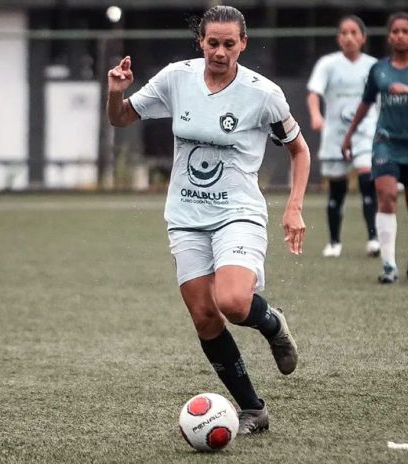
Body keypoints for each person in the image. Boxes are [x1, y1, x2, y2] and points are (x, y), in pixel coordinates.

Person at [106, 5, 310, 435]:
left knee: (234, 302)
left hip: (238, 212)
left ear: (243, 44)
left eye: (229, 44)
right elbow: (121, 117)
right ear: (200, 41)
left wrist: (293, 206)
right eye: (212, 43)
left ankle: (272, 324)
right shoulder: (176, 78)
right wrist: (115, 92)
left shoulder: (264, 94)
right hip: (186, 216)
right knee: (204, 316)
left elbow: (299, 150)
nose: (219, 52)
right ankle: (253, 409)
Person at [342, 12, 408, 283]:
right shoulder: (379, 69)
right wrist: (349, 136)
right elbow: (365, 103)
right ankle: (388, 266)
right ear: (389, 37)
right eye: (395, 31)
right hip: (385, 142)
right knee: (386, 196)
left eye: (405, 31)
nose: (400, 35)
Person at [307, 15, 380, 258]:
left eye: (353, 33)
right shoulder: (327, 64)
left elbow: (382, 98)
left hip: (364, 133)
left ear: (363, 37)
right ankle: (334, 242)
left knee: (366, 177)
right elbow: (314, 93)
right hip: (335, 135)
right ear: (339, 38)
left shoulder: (373, 66)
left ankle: (373, 238)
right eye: (344, 33)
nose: (349, 37)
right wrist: (316, 116)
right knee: (336, 189)